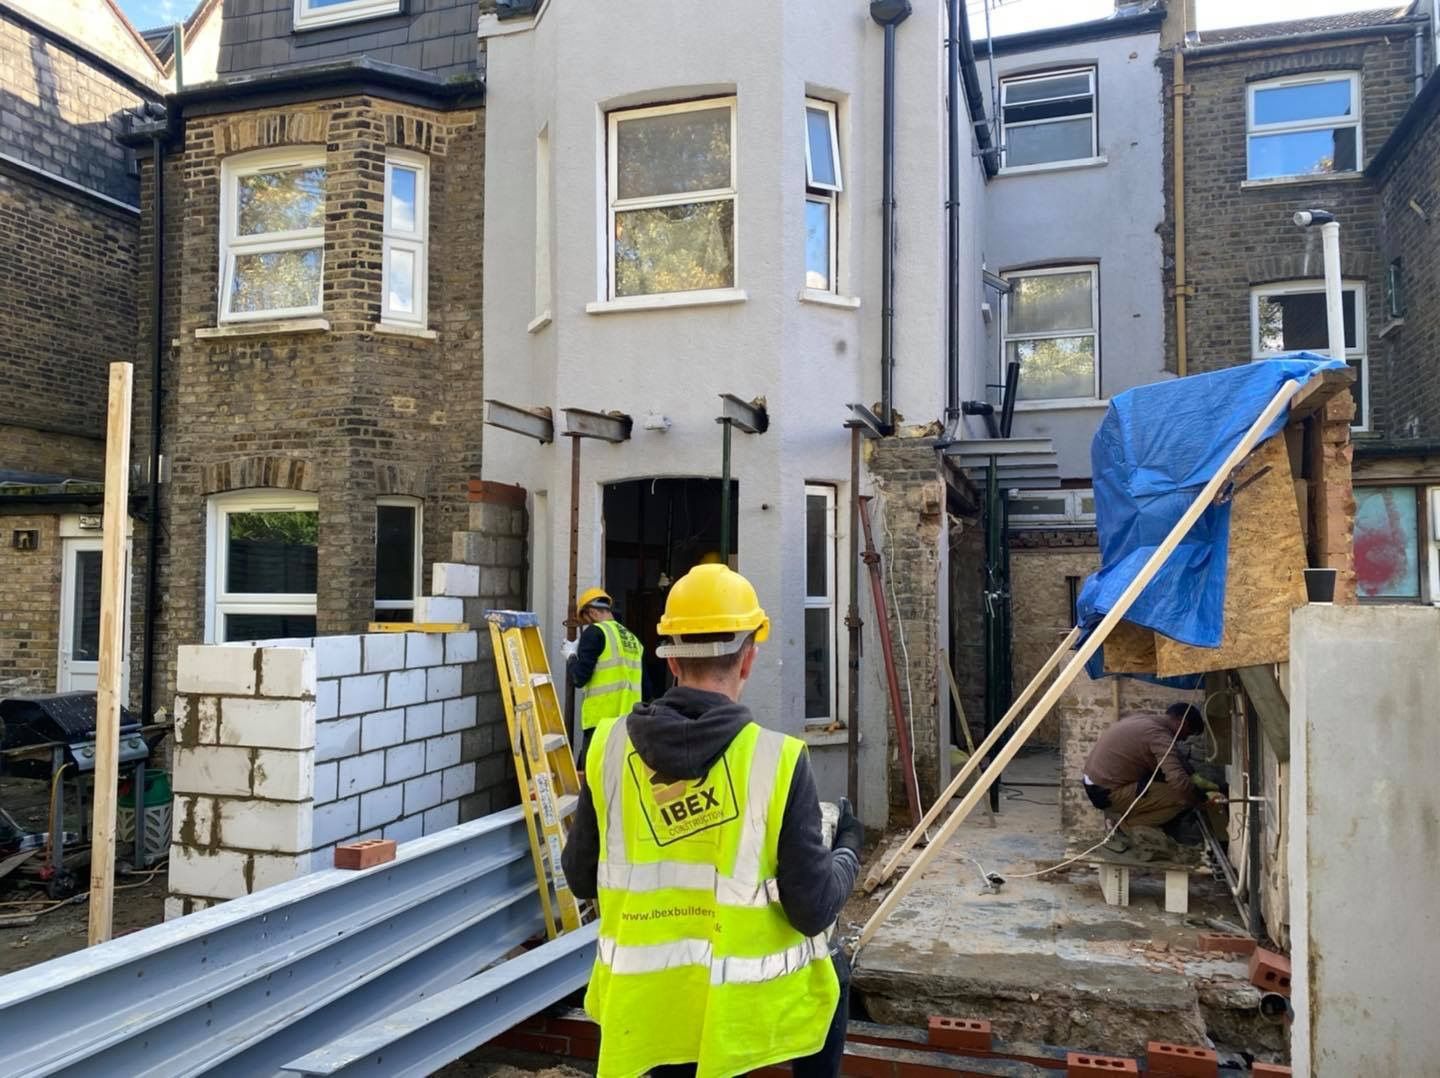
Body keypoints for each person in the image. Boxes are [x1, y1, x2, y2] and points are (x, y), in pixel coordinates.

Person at [561, 563, 863, 1078]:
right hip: (740, 1015)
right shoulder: (778, 759)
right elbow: (812, 909)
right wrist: (848, 850)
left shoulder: (608, 750)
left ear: (672, 660)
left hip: (646, 1012)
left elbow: (581, 877)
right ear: (748, 660)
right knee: (832, 967)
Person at [1082, 703, 1219, 843]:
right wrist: (1200, 800)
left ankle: (1123, 816)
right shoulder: (1158, 735)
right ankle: (1124, 826)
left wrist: (1192, 775)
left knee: (1170, 787)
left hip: (1098, 784)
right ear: (1182, 722)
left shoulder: (1146, 721)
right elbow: (1178, 782)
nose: (1184, 739)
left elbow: (1174, 756)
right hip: (1107, 793)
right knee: (1182, 797)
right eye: (1188, 733)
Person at [561, 586, 644, 758]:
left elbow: (579, 678)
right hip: (629, 724)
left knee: (593, 778)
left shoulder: (595, 632)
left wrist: (571, 656)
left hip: (601, 725)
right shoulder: (632, 639)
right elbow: (647, 687)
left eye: (585, 621)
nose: (586, 626)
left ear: (591, 612)